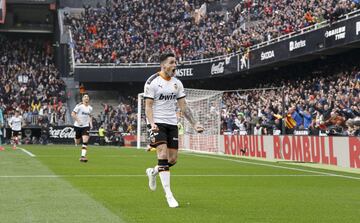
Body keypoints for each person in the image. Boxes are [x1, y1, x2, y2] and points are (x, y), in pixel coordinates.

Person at [144, 52, 204, 208]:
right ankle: (169, 195)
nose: (174, 65)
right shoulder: (152, 82)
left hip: (172, 123)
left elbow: (184, 107)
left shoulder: (177, 83)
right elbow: (148, 106)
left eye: (175, 62)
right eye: (171, 62)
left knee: (172, 160)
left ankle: (153, 172)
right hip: (156, 122)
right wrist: (151, 124)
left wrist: (195, 123)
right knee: (162, 154)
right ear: (163, 65)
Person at [71, 93, 93, 162]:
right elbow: (73, 114)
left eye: (87, 97)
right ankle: (76, 138)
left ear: (88, 99)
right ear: (82, 99)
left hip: (85, 126)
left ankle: (83, 156)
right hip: (78, 126)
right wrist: (78, 121)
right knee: (77, 142)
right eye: (85, 97)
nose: (86, 98)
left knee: (85, 140)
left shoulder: (90, 108)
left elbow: (90, 116)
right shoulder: (79, 106)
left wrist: (90, 123)